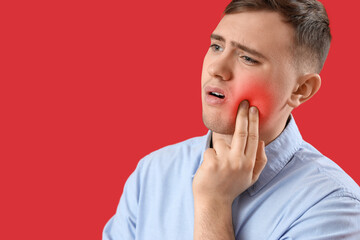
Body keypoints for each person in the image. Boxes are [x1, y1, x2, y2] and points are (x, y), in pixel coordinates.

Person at [103, 0, 360, 239]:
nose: (216, 68)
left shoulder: (334, 205)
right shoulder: (152, 173)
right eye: (216, 46)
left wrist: (213, 204)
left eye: (247, 58)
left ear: (300, 89)